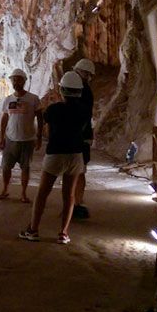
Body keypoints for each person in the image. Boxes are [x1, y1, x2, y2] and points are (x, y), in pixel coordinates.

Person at [19, 71, 90, 244]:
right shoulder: (84, 111)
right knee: (69, 195)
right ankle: (63, 233)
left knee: (43, 193)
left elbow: (47, 118)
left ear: (63, 90)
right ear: (79, 91)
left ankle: (33, 230)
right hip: (75, 154)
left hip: (56, 153)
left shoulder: (54, 109)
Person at [0, 69, 43, 203]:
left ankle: (23, 193)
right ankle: (5, 189)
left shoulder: (33, 98)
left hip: (27, 140)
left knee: (25, 168)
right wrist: (1, 137)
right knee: (6, 167)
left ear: (24, 81)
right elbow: (4, 118)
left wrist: (39, 137)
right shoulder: (8, 99)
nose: (16, 82)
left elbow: (40, 118)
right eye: (14, 80)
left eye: (19, 79)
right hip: (10, 139)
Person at [72, 58, 95, 220]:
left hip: (80, 137)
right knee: (77, 171)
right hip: (81, 136)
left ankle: (77, 203)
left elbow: (83, 117)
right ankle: (75, 202)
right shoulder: (82, 89)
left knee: (78, 171)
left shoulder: (84, 91)